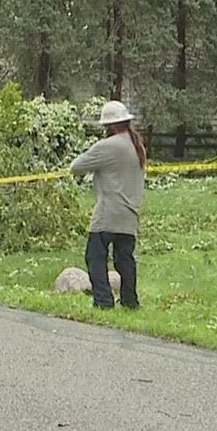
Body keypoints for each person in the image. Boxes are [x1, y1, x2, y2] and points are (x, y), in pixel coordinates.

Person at [69, 100, 147, 310]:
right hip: (130, 214)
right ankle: (130, 302)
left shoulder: (108, 146)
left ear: (110, 126)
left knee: (95, 257)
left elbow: (76, 166)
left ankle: (103, 301)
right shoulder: (136, 145)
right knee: (125, 261)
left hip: (108, 213)